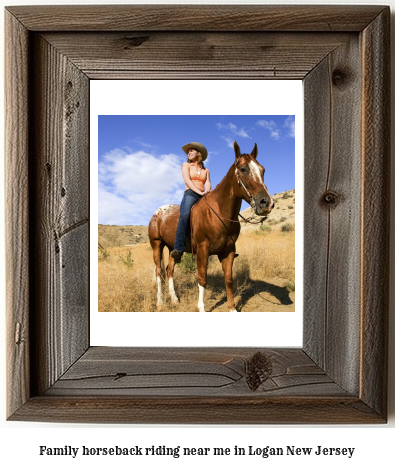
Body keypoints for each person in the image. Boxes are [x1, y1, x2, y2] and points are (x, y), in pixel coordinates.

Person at [170, 142, 211, 263]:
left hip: (204, 195)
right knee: (185, 215)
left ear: (199, 153)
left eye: (191, 151)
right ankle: (178, 249)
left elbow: (207, 183)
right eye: (188, 152)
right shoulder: (186, 165)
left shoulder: (206, 170)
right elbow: (187, 181)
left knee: (214, 215)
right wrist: (199, 192)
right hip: (191, 193)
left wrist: (207, 191)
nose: (189, 153)